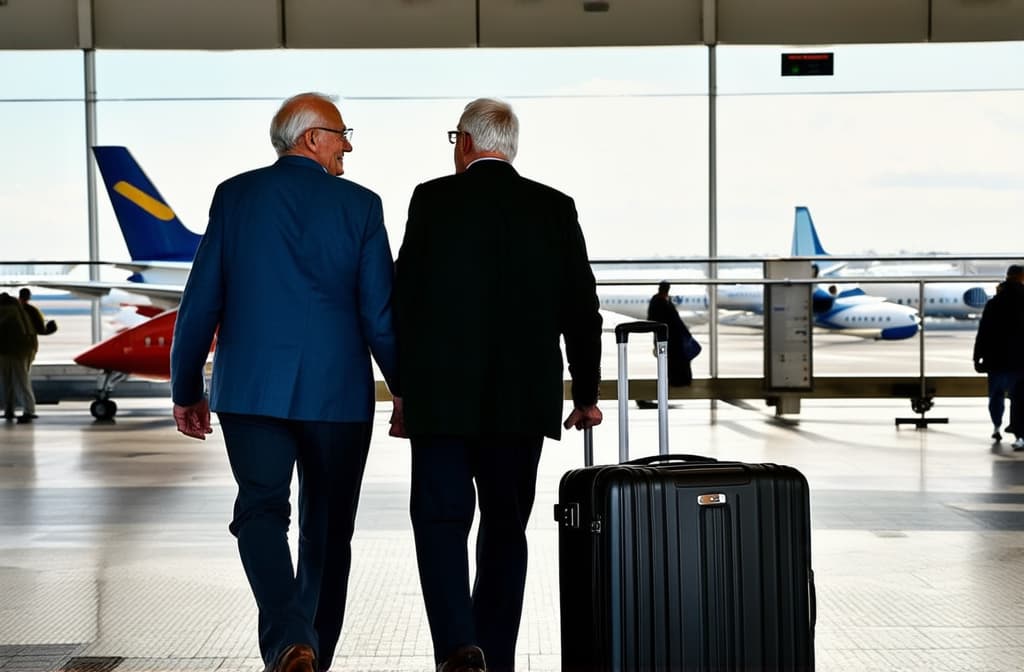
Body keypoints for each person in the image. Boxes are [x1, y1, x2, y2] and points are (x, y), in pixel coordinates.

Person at [170, 92, 400, 672]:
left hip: (250, 392)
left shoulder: (235, 196)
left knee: (260, 514)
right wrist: (405, 387)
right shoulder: (362, 207)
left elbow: (200, 302)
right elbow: (380, 316)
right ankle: (310, 651)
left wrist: (185, 388)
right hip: (337, 397)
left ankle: (289, 640)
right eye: (342, 133)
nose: (348, 144)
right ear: (311, 138)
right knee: (327, 529)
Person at [391, 98, 603, 672]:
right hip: (520, 403)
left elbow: (404, 300)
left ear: (464, 142)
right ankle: (498, 656)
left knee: (440, 521)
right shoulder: (554, 207)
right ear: (510, 146)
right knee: (506, 527)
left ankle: (459, 648)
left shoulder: (432, 198)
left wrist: (402, 389)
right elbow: (582, 309)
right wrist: (585, 396)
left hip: (441, 402)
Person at [973, 264, 1024, 450]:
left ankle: (996, 425)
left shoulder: (994, 303)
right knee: (1019, 397)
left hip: (996, 358)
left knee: (996, 394)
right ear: (1022, 277)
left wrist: (977, 356)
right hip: (1020, 359)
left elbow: (983, 331)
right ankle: (1020, 434)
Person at [636, 281, 696, 409]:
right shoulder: (662, 303)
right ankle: (661, 395)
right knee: (668, 368)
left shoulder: (660, 302)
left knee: (668, 368)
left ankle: (661, 395)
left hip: (669, 340)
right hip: (668, 341)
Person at [16, 287, 57, 422]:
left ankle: (11, 409)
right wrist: (51, 329)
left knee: (9, 381)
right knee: (23, 380)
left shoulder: (12, 311)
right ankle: (28, 410)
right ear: (29, 297)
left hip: (7, 350)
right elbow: (41, 329)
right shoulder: (32, 310)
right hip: (26, 348)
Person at [0, 292, 37, 423]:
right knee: (19, 380)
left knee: (13, 381)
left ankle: (26, 410)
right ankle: (16, 410)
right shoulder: (21, 310)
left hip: (13, 350)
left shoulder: (5, 311)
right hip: (21, 349)